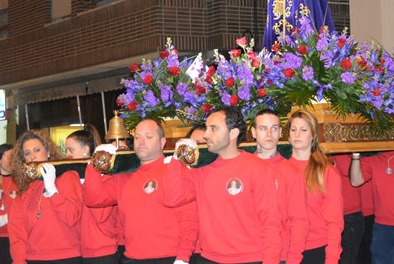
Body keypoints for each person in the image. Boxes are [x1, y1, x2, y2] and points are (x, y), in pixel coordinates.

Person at [164, 106, 282, 263]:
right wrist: (176, 160)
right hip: (209, 258)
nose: (206, 135)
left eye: (213, 129)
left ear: (233, 133)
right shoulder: (202, 169)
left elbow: (271, 224)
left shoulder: (257, 168)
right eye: (207, 128)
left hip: (250, 258)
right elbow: (172, 199)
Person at [84, 119, 198, 263]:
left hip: (169, 257)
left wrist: (183, 257)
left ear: (162, 142)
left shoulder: (175, 169)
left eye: (149, 136)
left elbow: (189, 219)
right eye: (137, 137)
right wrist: (94, 164)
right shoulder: (124, 175)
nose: (141, 141)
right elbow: (93, 199)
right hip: (132, 257)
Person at [8, 129, 83, 264]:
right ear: (23, 159)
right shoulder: (24, 189)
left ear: (48, 152)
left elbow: (72, 217)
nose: (32, 156)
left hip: (67, 256)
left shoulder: (68, 177)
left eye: (37, 150)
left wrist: (53, 191)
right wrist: (19, 261)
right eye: (27, 153)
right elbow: (17, 234)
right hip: (34, 258)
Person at [251, 109, 309, 263]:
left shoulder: (291, 173)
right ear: (254, 132)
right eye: (263, 128)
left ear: (280, 133)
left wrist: (294, 259)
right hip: (245, 253)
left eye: (274, 128)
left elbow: (299, 221)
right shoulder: (242, 167)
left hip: (279, 256)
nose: (269, 134)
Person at [287, 109, 344, 263]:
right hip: (285, 249)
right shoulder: (280, 169)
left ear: (312, 135)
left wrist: (332, 258)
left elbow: (334, 221)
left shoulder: (327, 171)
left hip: (316, 250)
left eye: (303, 130)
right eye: (293, 130)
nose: (297, 134)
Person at [66, 127, 120, 264]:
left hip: (103, 250)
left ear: (85, 150)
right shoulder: (72, 178)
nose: (67, 154)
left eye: (71, 150)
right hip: (80, 251)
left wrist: (91, 179)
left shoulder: (106, 178)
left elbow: (99, 215)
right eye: (66, 150)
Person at [332, 153, 365, 264]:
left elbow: (347, 170)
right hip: (332, 216)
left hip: (349, 215)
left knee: (348, 258)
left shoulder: (345, 155)